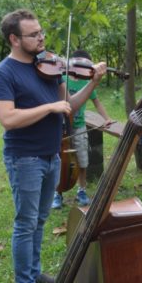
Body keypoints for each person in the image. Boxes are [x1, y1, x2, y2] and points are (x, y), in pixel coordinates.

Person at [0, 9, 106, 283]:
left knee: (39, 220)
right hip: (24, 158)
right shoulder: (3, 73)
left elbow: (69, 106)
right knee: (25, 223)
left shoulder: (49, 67)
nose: (41, 38)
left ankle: (35, 271)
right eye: (33, 34)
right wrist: (49, 107)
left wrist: (92, 82)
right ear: (14, 39)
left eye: (41, 32)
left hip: (51, 154)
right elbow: (8, 118)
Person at [52, 48, 115, 209]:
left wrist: (107, 118)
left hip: (79, 126)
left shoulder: (87, 82)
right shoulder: (62, 78)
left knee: (82, 160)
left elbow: (97, 102)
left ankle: (82, 190)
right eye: (77, 65)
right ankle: (57, 192)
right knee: (60, 162)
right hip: (61, 128)